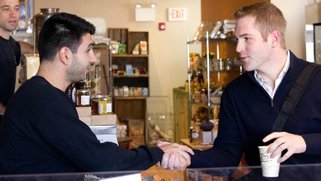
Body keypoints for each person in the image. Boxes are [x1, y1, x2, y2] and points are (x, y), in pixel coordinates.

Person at [0, 12, 193, 174]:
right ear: (65, 55)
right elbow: (102, 161)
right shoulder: (45, 102)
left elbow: (86, 151)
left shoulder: (40, 94)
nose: (93, 59)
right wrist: (157, 152)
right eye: (88, 50)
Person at [162, 2, 321, 171]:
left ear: (274, 39)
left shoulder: (317, 78)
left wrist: (304, 142)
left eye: (247, 38)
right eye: (237, 39)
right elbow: (226, 156)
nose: (238, 48)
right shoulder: (235, 92)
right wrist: (185, 157)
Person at [0, 0, 21, 123]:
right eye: (6, 9)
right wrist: (5, 111)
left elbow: (20, 47)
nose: (13, 14)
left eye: (16, 8)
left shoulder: (10, 43)